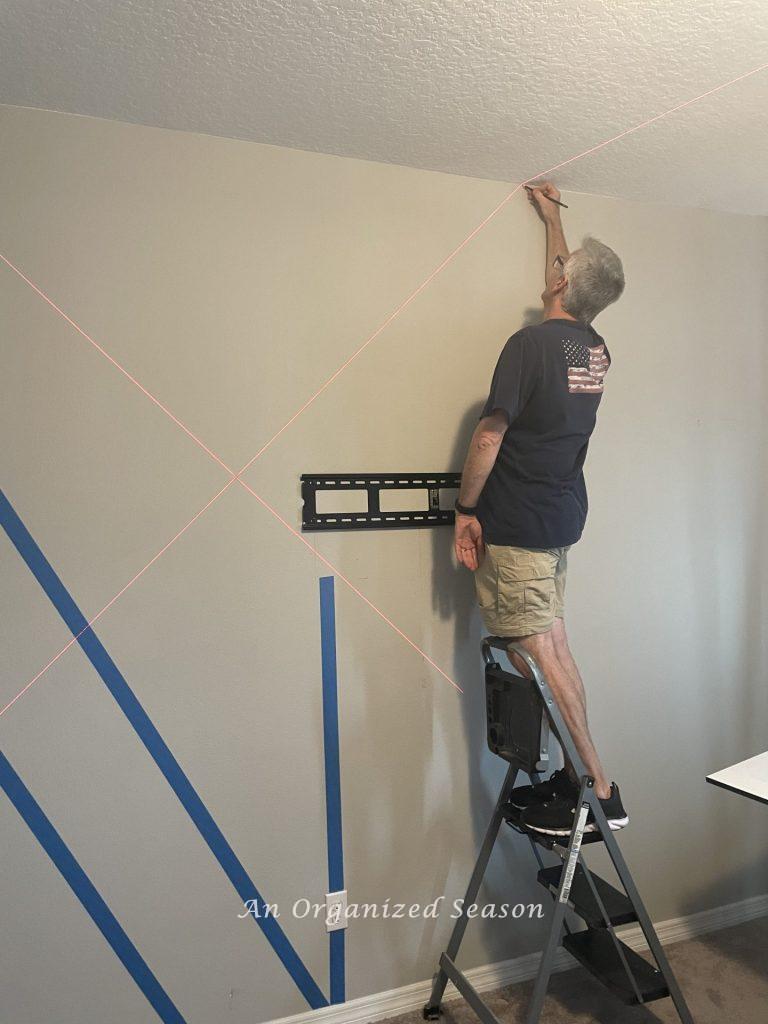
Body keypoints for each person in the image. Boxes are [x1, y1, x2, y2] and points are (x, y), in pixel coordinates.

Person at [453, 181, 627, 836]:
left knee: (540, 654)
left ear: (563, 285)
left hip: (519, 523)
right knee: (551, 645)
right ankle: (576, 780)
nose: (557, 268)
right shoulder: (593, 350)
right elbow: (562, 288)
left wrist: (468, 510)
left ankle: (598, 791)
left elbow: (490, 434)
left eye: (563, 263)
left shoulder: (528, 346)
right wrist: (553, 219)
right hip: (557, 522)